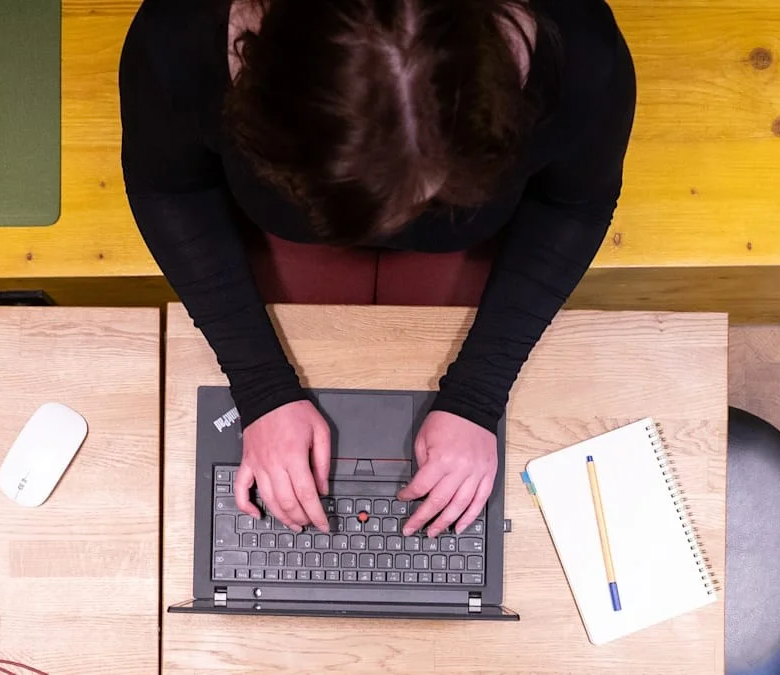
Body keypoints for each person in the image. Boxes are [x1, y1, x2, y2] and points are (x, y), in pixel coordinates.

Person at [120, 0, 635, 540]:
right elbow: (169, 189)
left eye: (435, 194)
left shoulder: (582, 51)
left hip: (463, 250)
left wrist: (480, 396)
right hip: (283, 238)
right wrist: (261, 391)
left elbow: (573, 206)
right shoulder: (179, 32)